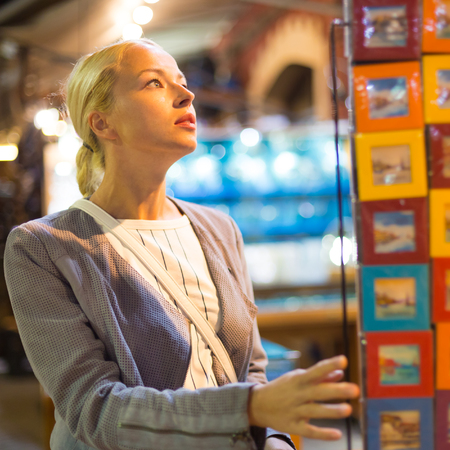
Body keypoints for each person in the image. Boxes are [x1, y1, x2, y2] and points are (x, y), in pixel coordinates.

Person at [3, 38, 359, 450]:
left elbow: (251, 371)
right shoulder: (43, 248)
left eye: (182, 81)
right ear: (102, 124)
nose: (186, 94)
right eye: (154, 83)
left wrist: (276, 441)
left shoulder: (219, 230)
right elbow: (94, 412)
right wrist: (248, 408)